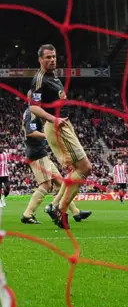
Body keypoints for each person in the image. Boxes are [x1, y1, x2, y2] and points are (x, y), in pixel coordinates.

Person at [29, 44, 93, 229]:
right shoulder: (39, 79)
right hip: (56, 126)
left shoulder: (53, 76)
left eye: (54, 56)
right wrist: (54, 119)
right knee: (84, 168)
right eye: (48, 57)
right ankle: (59, 208)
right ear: (40, 60)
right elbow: (33, 107)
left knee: (79, 169)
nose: (52, 60)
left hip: (63, 124)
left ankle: (55, 206)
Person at [21, 99, 92, 225]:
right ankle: (27, 214)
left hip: (41, 152)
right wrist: (47, 136)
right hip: (37, 153)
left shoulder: (33, 112)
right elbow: (30, 132)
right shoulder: (31, 112)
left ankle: (75, 212)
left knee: (61, 182)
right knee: (46, 186)